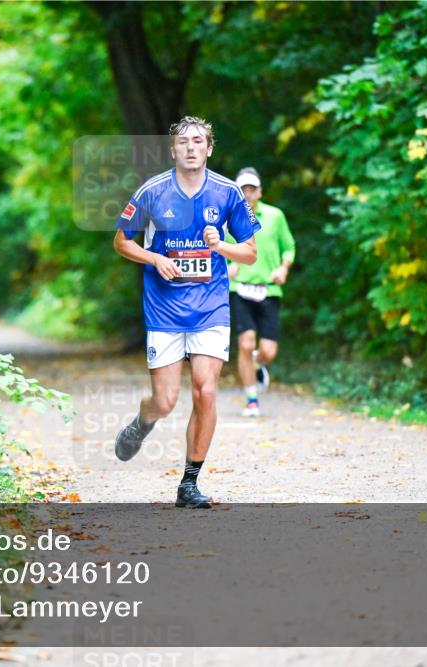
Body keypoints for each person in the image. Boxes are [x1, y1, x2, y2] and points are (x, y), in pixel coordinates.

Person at [111, 116, 260, 508]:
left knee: (206, 391)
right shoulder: (153, 192)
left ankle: (189, 483)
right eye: (183, 142)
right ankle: (142, 424)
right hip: (164, 308)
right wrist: (154, 258)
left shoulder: (228, 193)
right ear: (173, 150)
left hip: (211, 307)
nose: (191, 147)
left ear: (209, 149)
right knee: (165, 401)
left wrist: (223, 246)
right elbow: (121, 242)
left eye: (198, 141)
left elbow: (250, 251)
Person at [226, 167, 295, 418]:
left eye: (251, 188)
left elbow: (289, 247)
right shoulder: (227, 218)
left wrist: (283, 269)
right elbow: (217, 250)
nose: (247, 193)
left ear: (260, 191)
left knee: (268, 351)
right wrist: (229, 266)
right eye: (242, 189)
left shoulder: (275, 216)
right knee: (245, 344)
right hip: (240, 289)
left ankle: (258, 364)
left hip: (269, 289)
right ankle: (251, 399)